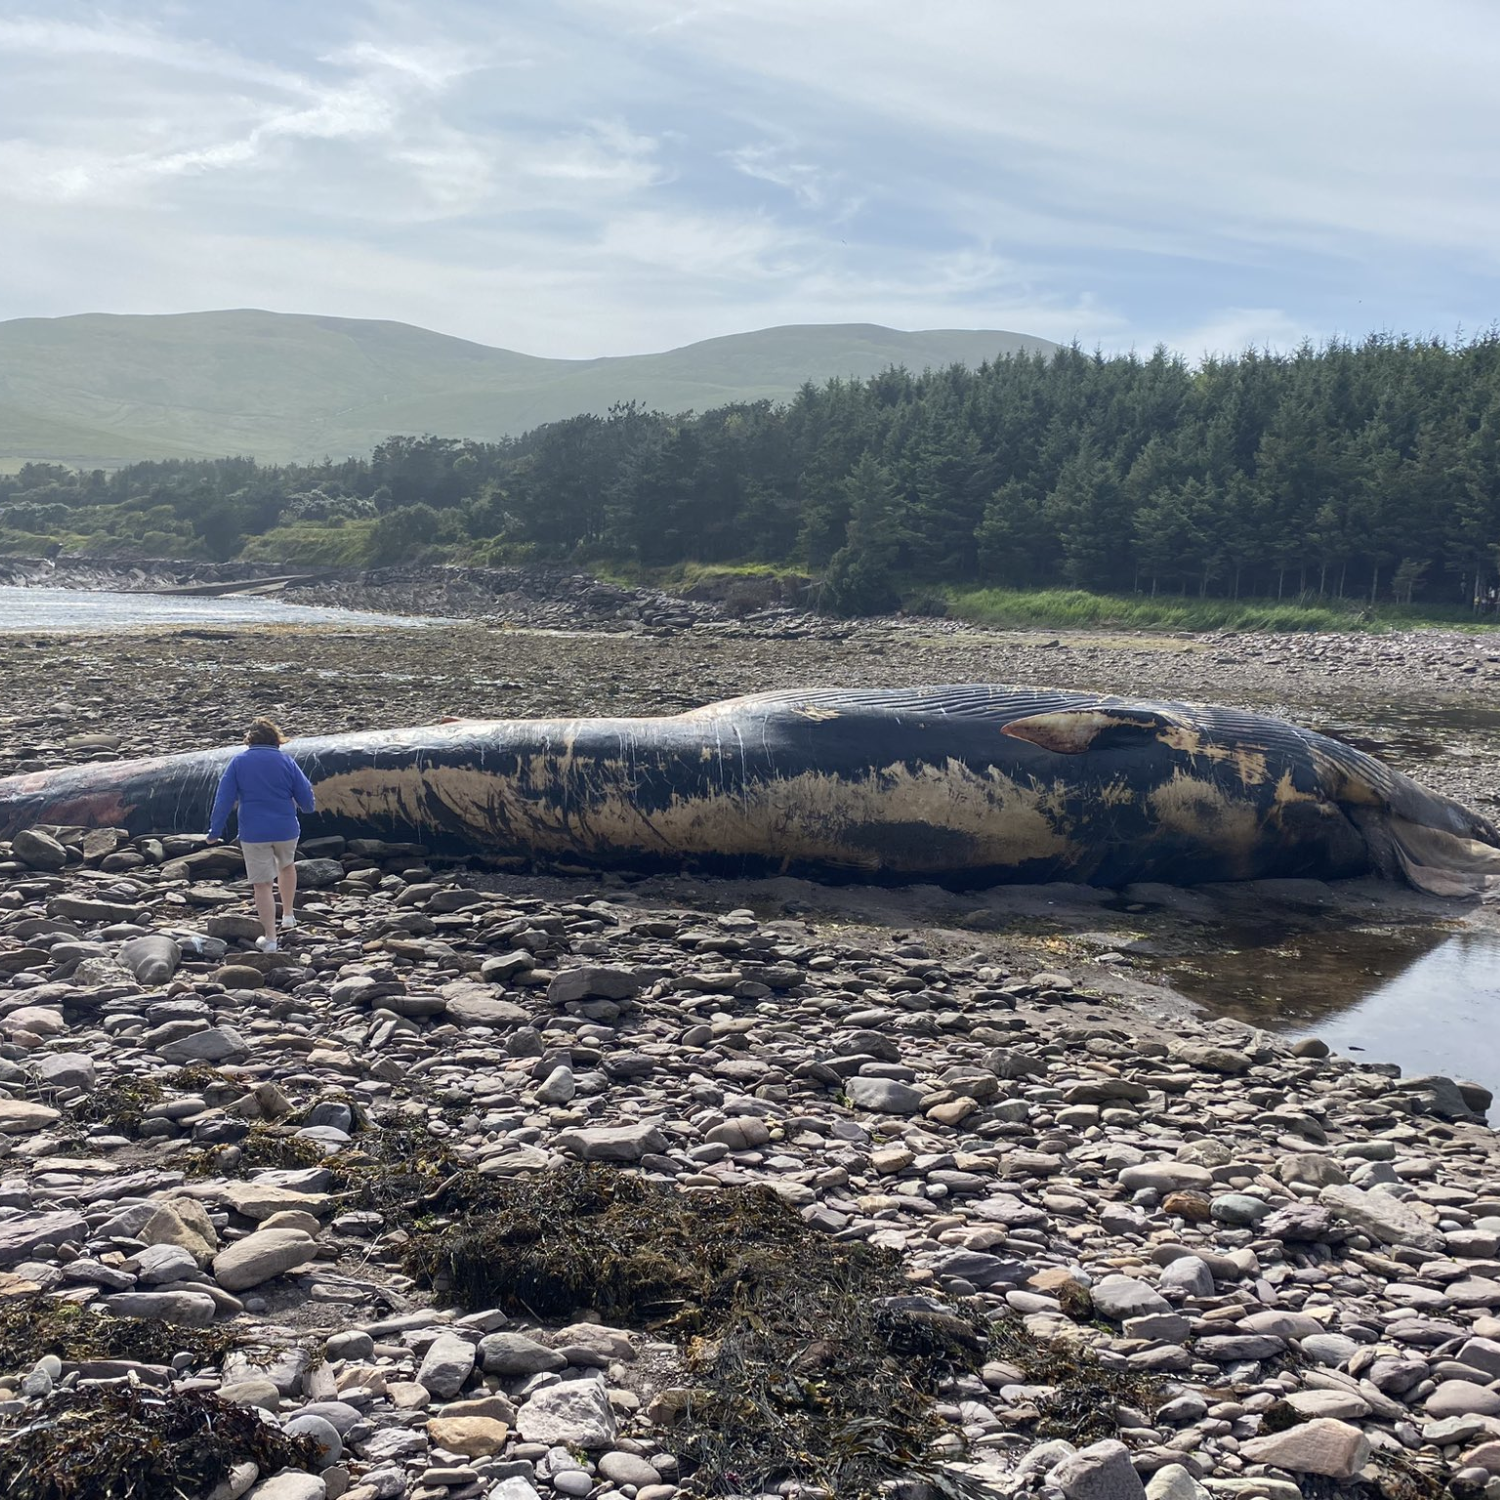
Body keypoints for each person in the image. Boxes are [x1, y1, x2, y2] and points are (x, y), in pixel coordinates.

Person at [207, 718, 316, 953]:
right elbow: (305, 791)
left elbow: (224, 798)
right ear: (276, 738)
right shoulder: (286, 761)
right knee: (287, 866)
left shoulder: (239, 762)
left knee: (262, 884)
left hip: (254, 831)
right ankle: (288, 915)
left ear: (250, 739)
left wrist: (215, 831)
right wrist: (308, 808)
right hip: (286, 828)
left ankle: (270, 939)